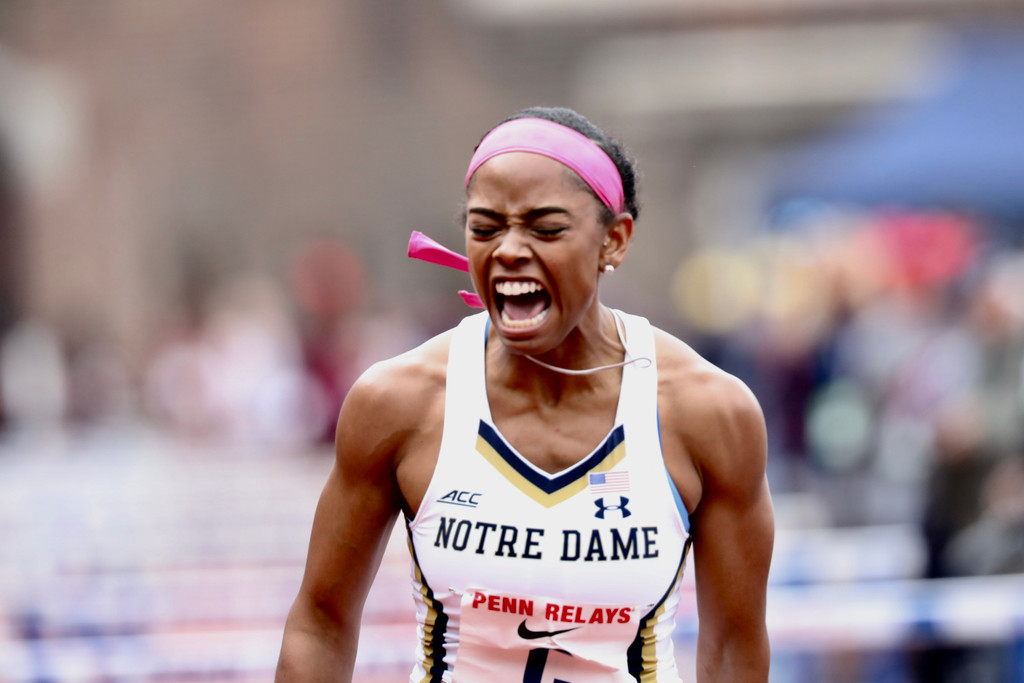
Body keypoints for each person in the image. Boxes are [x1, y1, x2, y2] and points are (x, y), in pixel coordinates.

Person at [275, 106, 774, 682]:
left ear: (614, 240)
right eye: (485, 228)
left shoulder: (707, 411)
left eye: (545, 228)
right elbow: (321, 621)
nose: (508, 250)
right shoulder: (401, 401)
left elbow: (736, 647)